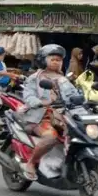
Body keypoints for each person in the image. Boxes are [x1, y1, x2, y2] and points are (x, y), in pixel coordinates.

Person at [18, 44, 81, 181]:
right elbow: (28, 97)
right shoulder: (34, 78)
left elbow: (73, 94)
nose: (56, 62)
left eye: (58, 60)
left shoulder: (63, 79)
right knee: (50, 137)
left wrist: (84, 99)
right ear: (43, 60)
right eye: (52, 59)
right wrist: (42, 102)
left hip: (63, 116)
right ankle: (31, 163)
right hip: (40, 118)